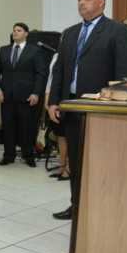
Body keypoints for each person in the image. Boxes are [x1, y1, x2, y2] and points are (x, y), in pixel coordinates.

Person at [48, 0, 127, 220]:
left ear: (101, 2)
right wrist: (54, 101)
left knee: (102, 162)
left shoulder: (117, 30)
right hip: (73, 107)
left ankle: (105, 208)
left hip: (101, 109)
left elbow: (124, 75)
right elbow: (60, 71)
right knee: (76, 161)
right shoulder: (70, 33)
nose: (81, 3)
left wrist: (116, 105)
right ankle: (77, 205)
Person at [0, 23, 45, 168]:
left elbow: (40, 74)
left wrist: (36, 93)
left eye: (19, 30)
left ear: (26, 34)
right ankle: (8, 155)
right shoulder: (4, 50)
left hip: (26, 96)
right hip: (6, 96)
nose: (15, 32)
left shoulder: (34, 50)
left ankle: (28, 156)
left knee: (26, 127)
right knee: (8, 127)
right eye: (14, 30)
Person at [44, 45, 69, 181]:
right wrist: (47, 98)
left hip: (68, 97)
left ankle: (70, 167)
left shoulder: (76, 54)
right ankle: (62, 165)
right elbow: (51, 79)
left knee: (71, 134)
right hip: (55, 97)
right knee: (60, 134)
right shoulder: (55, 56)